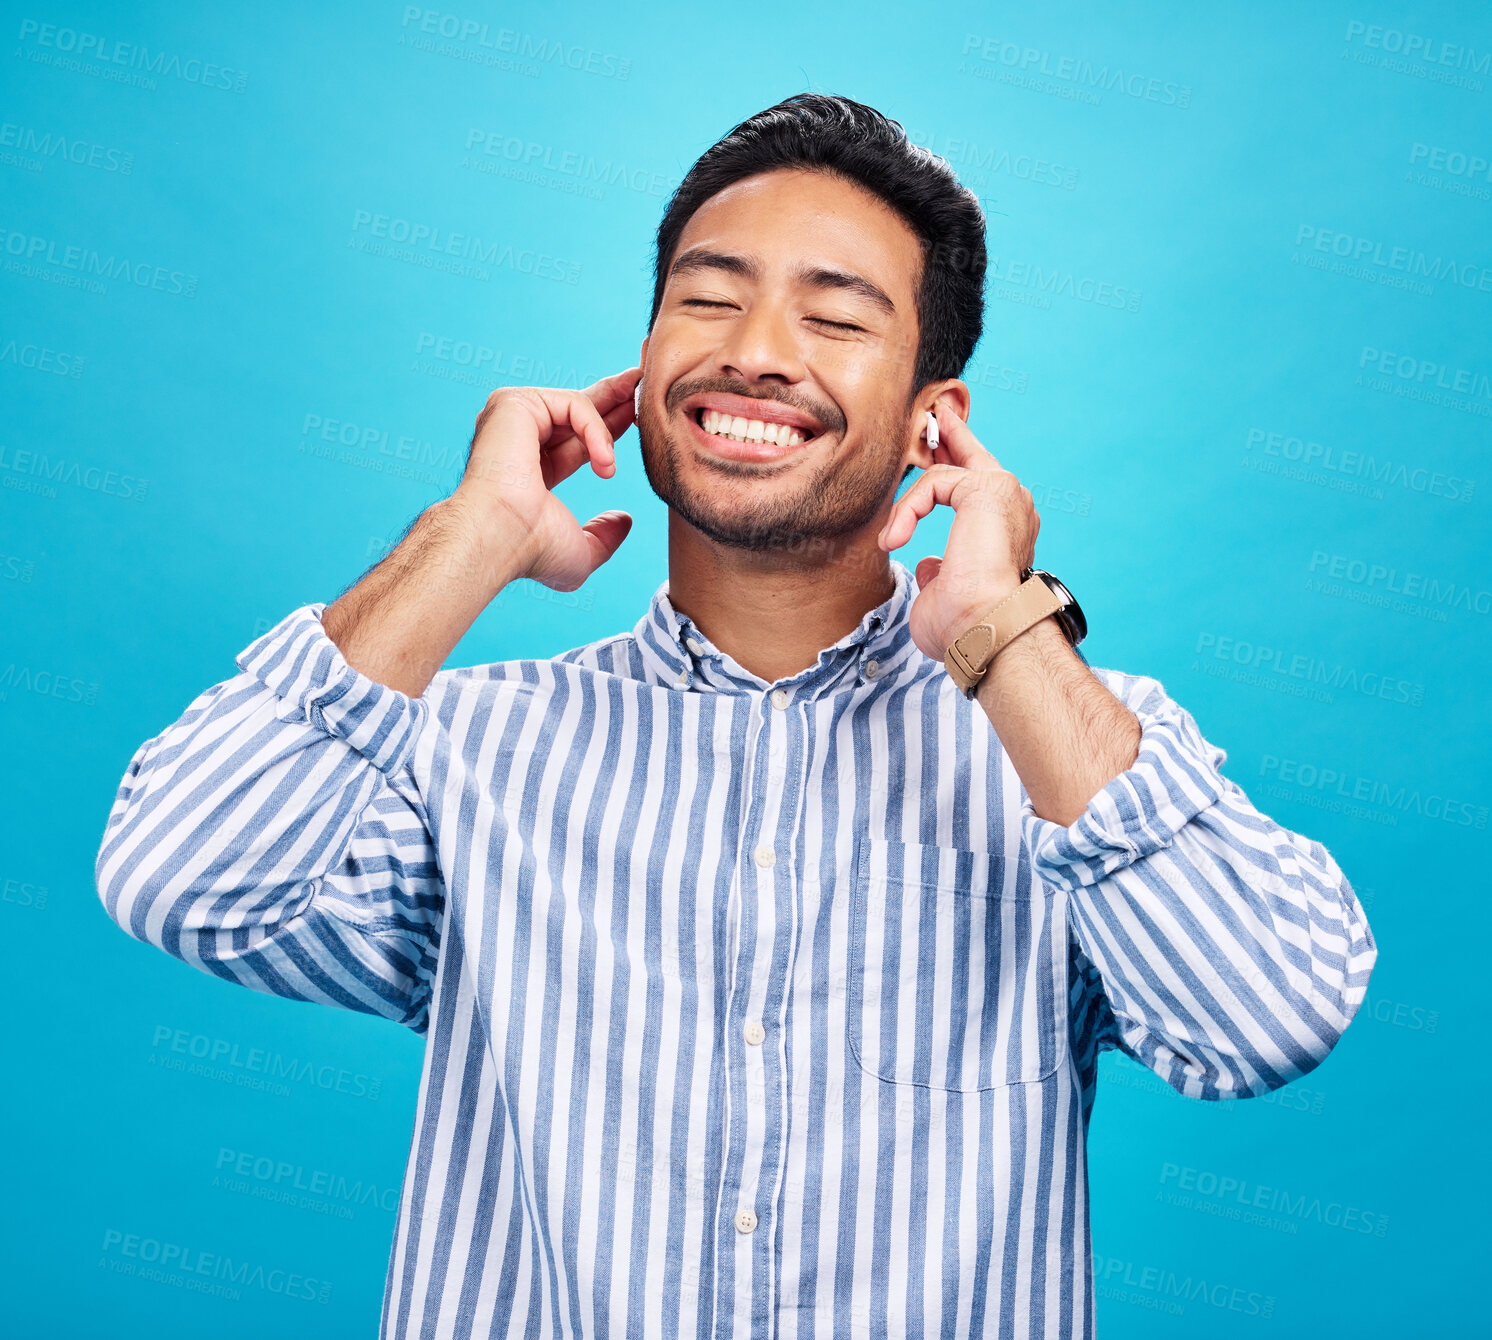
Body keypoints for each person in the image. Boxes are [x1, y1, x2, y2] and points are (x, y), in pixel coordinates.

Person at [95, 93, 1376, 1339]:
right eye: (707, 299)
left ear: (935, 420)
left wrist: (1001, 633)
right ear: (646, 362)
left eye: (835, 316)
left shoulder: (1066, 751)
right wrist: (470, 536)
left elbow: (1263, 1017)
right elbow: (183, 879)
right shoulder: (465, 752)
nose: (755, 350)